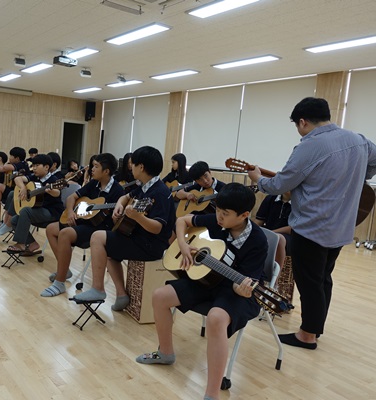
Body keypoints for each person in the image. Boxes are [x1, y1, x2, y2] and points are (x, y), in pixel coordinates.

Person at [248, 97, 376, 350]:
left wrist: (258, 179)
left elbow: (280, 185)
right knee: (323, 278)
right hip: (342, 227)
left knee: (309, 282)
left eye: (298, 126)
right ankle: (315, 329)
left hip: (313, 227)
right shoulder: (359, 140)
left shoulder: (310, 146)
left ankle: (307, 335)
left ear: (303, 122)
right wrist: (358, 175)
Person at [136, 183, 267, 400]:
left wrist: (242, 289)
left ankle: (212, 394)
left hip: (235, 291)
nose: (218, 217)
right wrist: (183, 244)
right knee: (160, 296)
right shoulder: (216, 221)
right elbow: (181, 221)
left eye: (225, 214)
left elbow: (245, 284)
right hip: (206, 280)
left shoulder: (257, 241)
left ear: (244, 215)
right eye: (217, 210)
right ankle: (166, 353)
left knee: (216, 318)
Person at [73, 146, 175, 311]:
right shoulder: (144, 186)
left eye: (132, 164)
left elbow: (157, 228)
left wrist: (137, 217)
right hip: (138, 237)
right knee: (110, 254)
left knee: (98, 238)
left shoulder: (160, 193)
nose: (130, 168)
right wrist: (119, 206)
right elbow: (125, 197)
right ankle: (122, 295)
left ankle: (98, 289)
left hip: (150, 245)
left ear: (141, 167)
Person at [41, 153, 124, 297]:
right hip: (82, 221)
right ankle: (64, 269)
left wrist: (118, 214)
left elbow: (116, 220)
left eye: (96, 167)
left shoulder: (117, 191)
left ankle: (59, 283)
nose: (92, 169)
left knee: (65, 234)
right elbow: (72, 197)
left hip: (98, 228)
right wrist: (71, 212)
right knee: (51, 229)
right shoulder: (94, 183)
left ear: (106, 171)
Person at [4, 154, 64, 255]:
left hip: (51, 213)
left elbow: (57, 193)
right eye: (33, 165)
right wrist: (23, 188)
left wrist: (51, 191)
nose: (34, 168)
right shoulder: (34, 177)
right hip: (38, 210)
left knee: (25, 211)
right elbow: (17, 179)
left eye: (37, 165)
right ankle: (32, 244)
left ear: (46, 167)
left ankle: (21, 244)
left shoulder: (53, 180)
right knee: (14, 220)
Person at [252, 192, 292, 269]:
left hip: (292, 238)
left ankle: (275, 276)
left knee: (279, 239)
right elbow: (259, 221)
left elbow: (292, 229)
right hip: (270, 233)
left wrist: (271, 234)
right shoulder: (270, 198)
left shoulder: (300, 202)